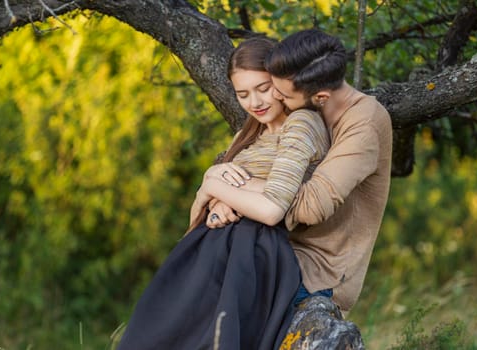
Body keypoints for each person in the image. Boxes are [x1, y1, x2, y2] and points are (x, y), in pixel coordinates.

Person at [117, 36, 329, 350]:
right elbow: (195, 220)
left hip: (253, 250)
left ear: (284, 81)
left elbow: (272, 210)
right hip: (219, 245)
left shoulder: (301, 123)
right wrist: (213, 194)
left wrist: (214, 187)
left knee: (205, 339)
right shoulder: (251, 133)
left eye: (263, 88)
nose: (254, 102)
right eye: (242, 94)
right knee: (156, 330)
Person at [210, 29, 393, 314]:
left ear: (319, 97)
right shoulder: (313, 105)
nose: (275, 102)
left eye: (281, 95)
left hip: (319, 273)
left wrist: (227, 187)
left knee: (208, 298)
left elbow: (309, 207)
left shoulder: (362, 123)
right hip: (277, 254)